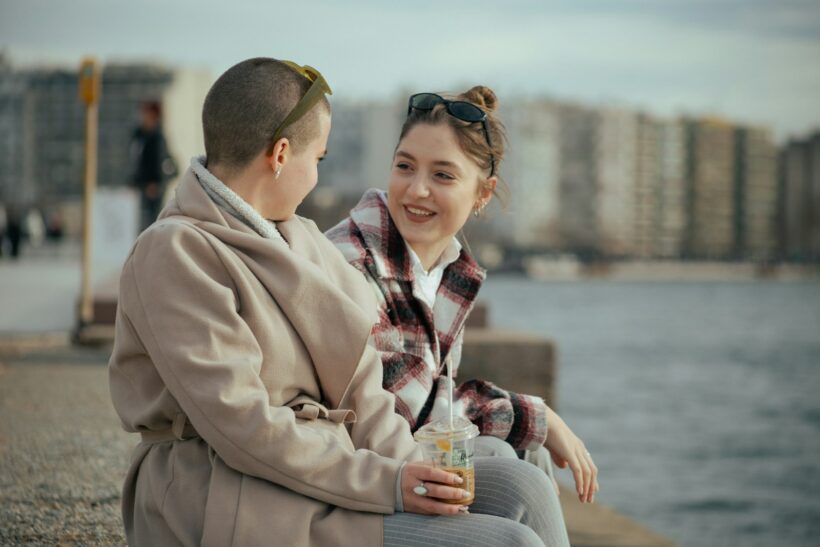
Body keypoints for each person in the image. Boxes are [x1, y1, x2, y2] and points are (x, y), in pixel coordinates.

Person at [109, 58, 569, 547]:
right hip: (224, 494)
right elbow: (241, 425)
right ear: (281, 154)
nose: (317, 178)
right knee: (510, 544)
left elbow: (362, 391)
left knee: (528, 486)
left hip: (320, 477)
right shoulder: (174, 252)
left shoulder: (301, 238)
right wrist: (389, 483)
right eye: (319, 160)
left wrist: (412, 468)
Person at [326, 87, 599, 505]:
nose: (416, 190)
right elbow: (406, 408)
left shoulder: (449, 269)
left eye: (442, 175)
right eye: (405, 166)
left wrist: (532, 430)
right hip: (349, 480)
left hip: (397, 466)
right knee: (513, 474)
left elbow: (438, 420)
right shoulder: (351, 260)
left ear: (483, 193)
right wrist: (538, 417)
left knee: (523, 455)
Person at [130, 101, 177, 231]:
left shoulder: (157, 138)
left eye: (145, 114)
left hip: (152, 190)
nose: (141, 117)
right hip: (140, 187)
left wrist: (156, 183)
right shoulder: (139, 136)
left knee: (152, 224)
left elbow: (166, 163)